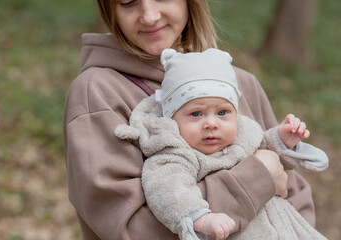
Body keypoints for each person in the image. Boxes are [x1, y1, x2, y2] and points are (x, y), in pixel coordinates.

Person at [63, 0, 318, 239]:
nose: (149, 16)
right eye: (128, 1)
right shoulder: (97, 92)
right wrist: (258, 179)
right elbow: (130, 228)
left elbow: (296, 199)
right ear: (110, 10)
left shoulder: (242, 83)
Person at [115, 48, 329, 240]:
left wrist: (282, 140)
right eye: (196, 113)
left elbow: (262, 150)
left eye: (222, 112)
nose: (211, 123)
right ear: (172, 117)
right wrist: (202, 218)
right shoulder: (175, 154)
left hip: (287, 228)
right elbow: (167, 190)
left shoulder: (241, 135)